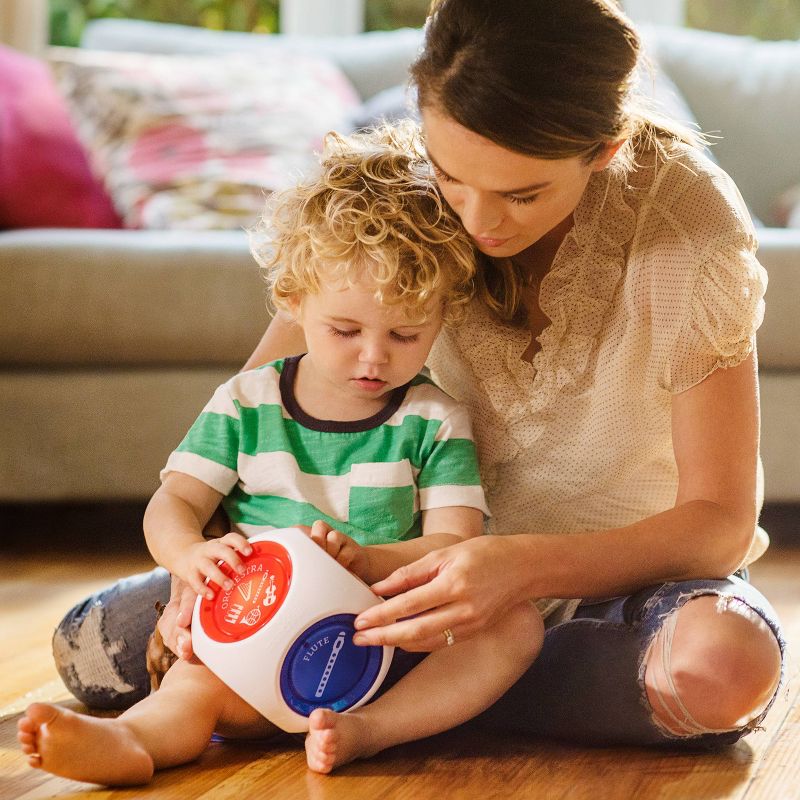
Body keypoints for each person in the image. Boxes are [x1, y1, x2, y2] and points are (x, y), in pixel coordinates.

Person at [51, 0, 784, 752]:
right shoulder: (398, 193)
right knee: (95, 649)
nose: (476, 221)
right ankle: (437, 698)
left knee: (719, 667)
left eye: (521, 194)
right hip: (385, 576)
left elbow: (719, 523)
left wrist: (519, 567)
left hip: (617, 588)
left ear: (604, 148)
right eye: (452, 175)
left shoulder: (688, 229)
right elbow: (266, 403)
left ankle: (360, 692)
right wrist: (197, 569)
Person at [18, 125, 543, 784]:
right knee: (192, 685)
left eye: (407, 334)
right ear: (293, 302)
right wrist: (190, 556)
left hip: (386, 646)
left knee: (513, 628)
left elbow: (452, 547)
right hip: (254, 633)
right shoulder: (247, 403)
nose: (374, 358)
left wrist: (370, 560)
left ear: (442, 316)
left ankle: (365, 732)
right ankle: (132, 741)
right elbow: (174, 501)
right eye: (345, 331)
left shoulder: (433, 418)